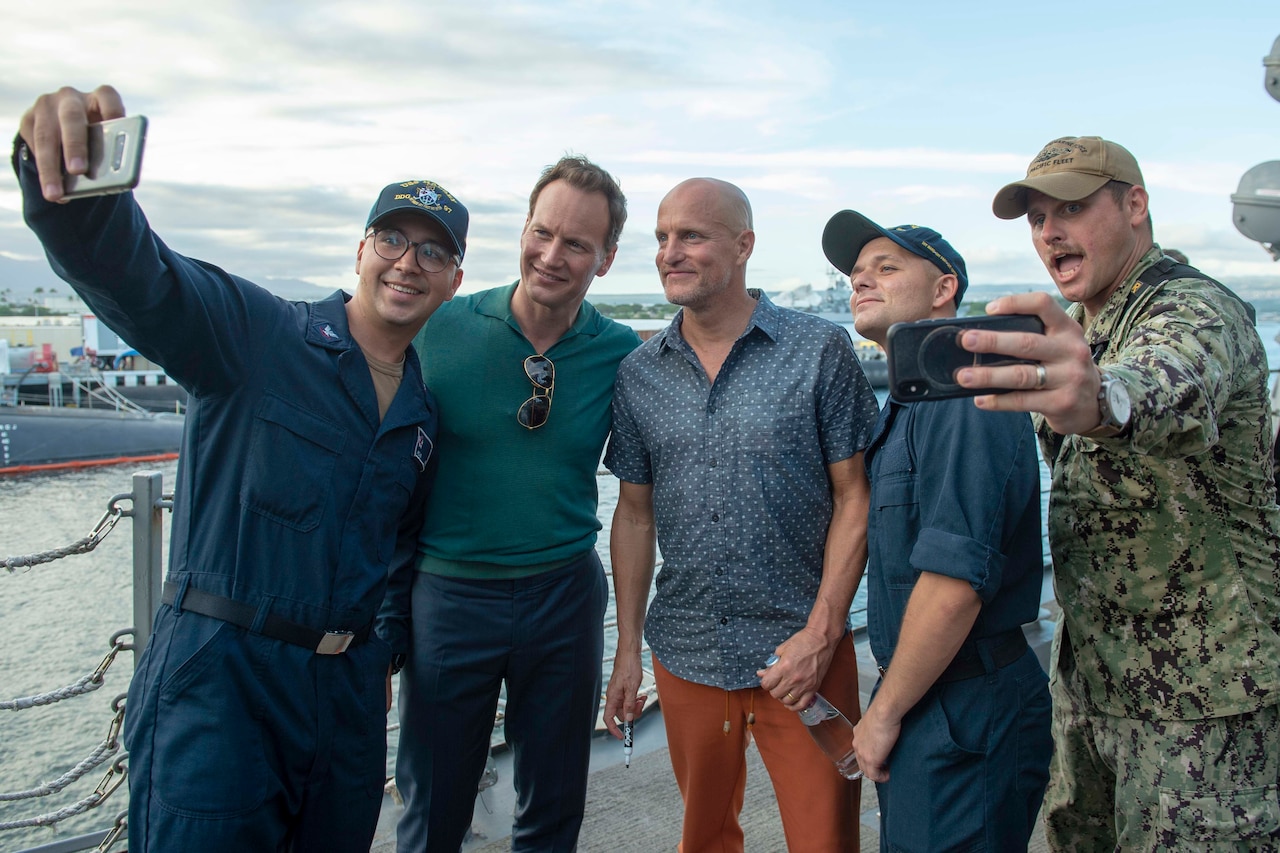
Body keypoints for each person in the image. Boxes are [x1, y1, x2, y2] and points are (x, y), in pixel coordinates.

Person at [15, 86, 468, 851]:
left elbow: (400, 549)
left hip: (345, 703)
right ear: (360, 252)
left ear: (454, 280)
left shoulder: (422, 415)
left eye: (433, 250)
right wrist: (76, 190)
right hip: (220, 689)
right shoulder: (257, 334)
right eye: (392, 238)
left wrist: (380, 650)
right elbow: (146, 280)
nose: (408, 261)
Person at [957, 135, 1280, 850]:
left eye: (1071, 207)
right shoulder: (1079, 330)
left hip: (1203, 715)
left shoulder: (1196, 308)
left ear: (1134, 205)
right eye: (1037, 216)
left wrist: (1103, 398)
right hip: (1095, 695)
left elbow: (1168, 377)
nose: (1049, 232)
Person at [604, 178, 877, 852]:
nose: (671, 251)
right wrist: (627, 651)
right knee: (704, 838)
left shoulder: (819, 350)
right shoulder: (639, 373)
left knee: (825, 839)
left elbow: (855, 496)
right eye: (663, 237)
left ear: (743, 244)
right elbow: (634, 515)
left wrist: (821, 631)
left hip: (804, 653)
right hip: (689, 648)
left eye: (691, 235)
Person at [392, 155, 641, 852]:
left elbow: (645, 495)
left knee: (555, 809)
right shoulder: (439, 326)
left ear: (607, 258)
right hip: (448, 595)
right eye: (542, 232)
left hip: (564, 597)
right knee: (433, 808)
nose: (552, 255)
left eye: (577, 244)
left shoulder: (621, 353)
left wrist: (629, 647)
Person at [821, 211, 1052, 850]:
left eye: (886, 268)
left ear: (944, 287)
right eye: (855, 274)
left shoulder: (963, 399)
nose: (861, 282)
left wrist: (882, 715)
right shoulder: (912, 403)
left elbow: (955, 582)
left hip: (963, 708)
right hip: (931, 695)